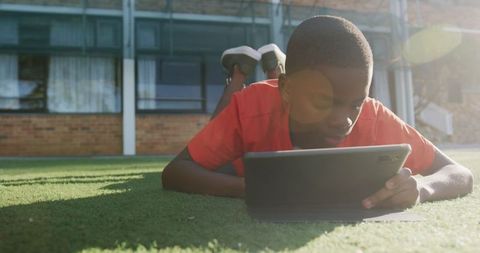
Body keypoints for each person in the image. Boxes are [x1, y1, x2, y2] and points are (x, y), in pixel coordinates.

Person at [162, 15, 473, 210]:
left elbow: (460, 174)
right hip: (239, 161)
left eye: (355, 102)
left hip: (285, 87)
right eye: (324, 101)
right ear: (286, 90)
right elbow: (176, 171)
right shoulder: (253, 106)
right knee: (219, 153)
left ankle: (275, 65)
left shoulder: (372, 115)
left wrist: (423, 187)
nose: (345, 119)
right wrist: (247, 188)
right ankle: (238, 73)